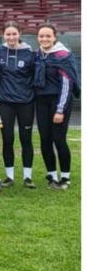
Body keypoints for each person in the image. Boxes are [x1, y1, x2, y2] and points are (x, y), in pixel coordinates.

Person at [34, 23, 80, 190]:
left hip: (59, 101)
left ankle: (65, 178)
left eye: (48, 36)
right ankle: (52, 176)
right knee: (45, 140)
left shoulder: (63, 55)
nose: (44, 39)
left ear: (54, 37)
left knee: (59, 139)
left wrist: (60, 109)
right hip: (41, 102)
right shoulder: (38, 54)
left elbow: (67, 85)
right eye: (41, 36)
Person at [0, 21, 36, 188]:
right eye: (8, 34)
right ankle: (9, 177)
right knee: (8, 139)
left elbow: (35, 75)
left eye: (14, 34)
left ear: (19, 34)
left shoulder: (30, 53)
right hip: (5, 103)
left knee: (26, 139)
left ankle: (27, 177)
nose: (11, 37)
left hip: (25, 102)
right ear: (3, 35)